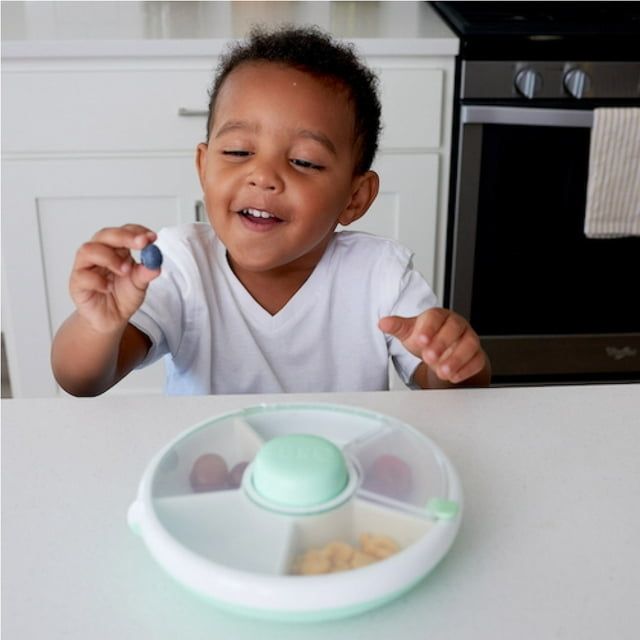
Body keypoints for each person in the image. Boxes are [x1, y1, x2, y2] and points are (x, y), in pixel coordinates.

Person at [51, 25, 491, 396]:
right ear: (204, 167)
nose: (264, 176)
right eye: (239, 151)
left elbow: (454, 393)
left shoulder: (381, 276)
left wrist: (454, 363)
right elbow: (81, 380)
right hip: (211, 482)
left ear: (355, 198)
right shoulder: (181, 264)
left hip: (342, 480)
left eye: (304, 161)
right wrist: (99, 323)